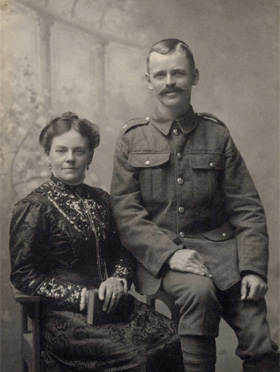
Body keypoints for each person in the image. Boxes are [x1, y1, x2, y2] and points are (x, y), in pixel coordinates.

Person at [110, 39, 279, 372]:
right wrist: (171, 253)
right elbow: (126, 214)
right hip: (160, 259)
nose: (169, 81)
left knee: (257, 333)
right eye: (160, 74)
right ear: (148, 81)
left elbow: (247, 209)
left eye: (178, 72)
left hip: (223, 256)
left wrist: (253, 268)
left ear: (194, 76)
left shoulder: (218, 137)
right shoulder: (132, 139)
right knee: (198, 293)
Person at [9, 112, 184, 372]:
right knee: (137, 359)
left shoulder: (103, 201)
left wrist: (119, 280)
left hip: (114, 306)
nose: (70, 158)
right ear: (48, 154)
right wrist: (80, 296)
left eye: (79, 151)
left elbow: (123, 253)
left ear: (89, 157)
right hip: (63, 318)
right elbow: (24, 275)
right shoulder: (35, 207)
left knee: (171, 336)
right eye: (61, 150)